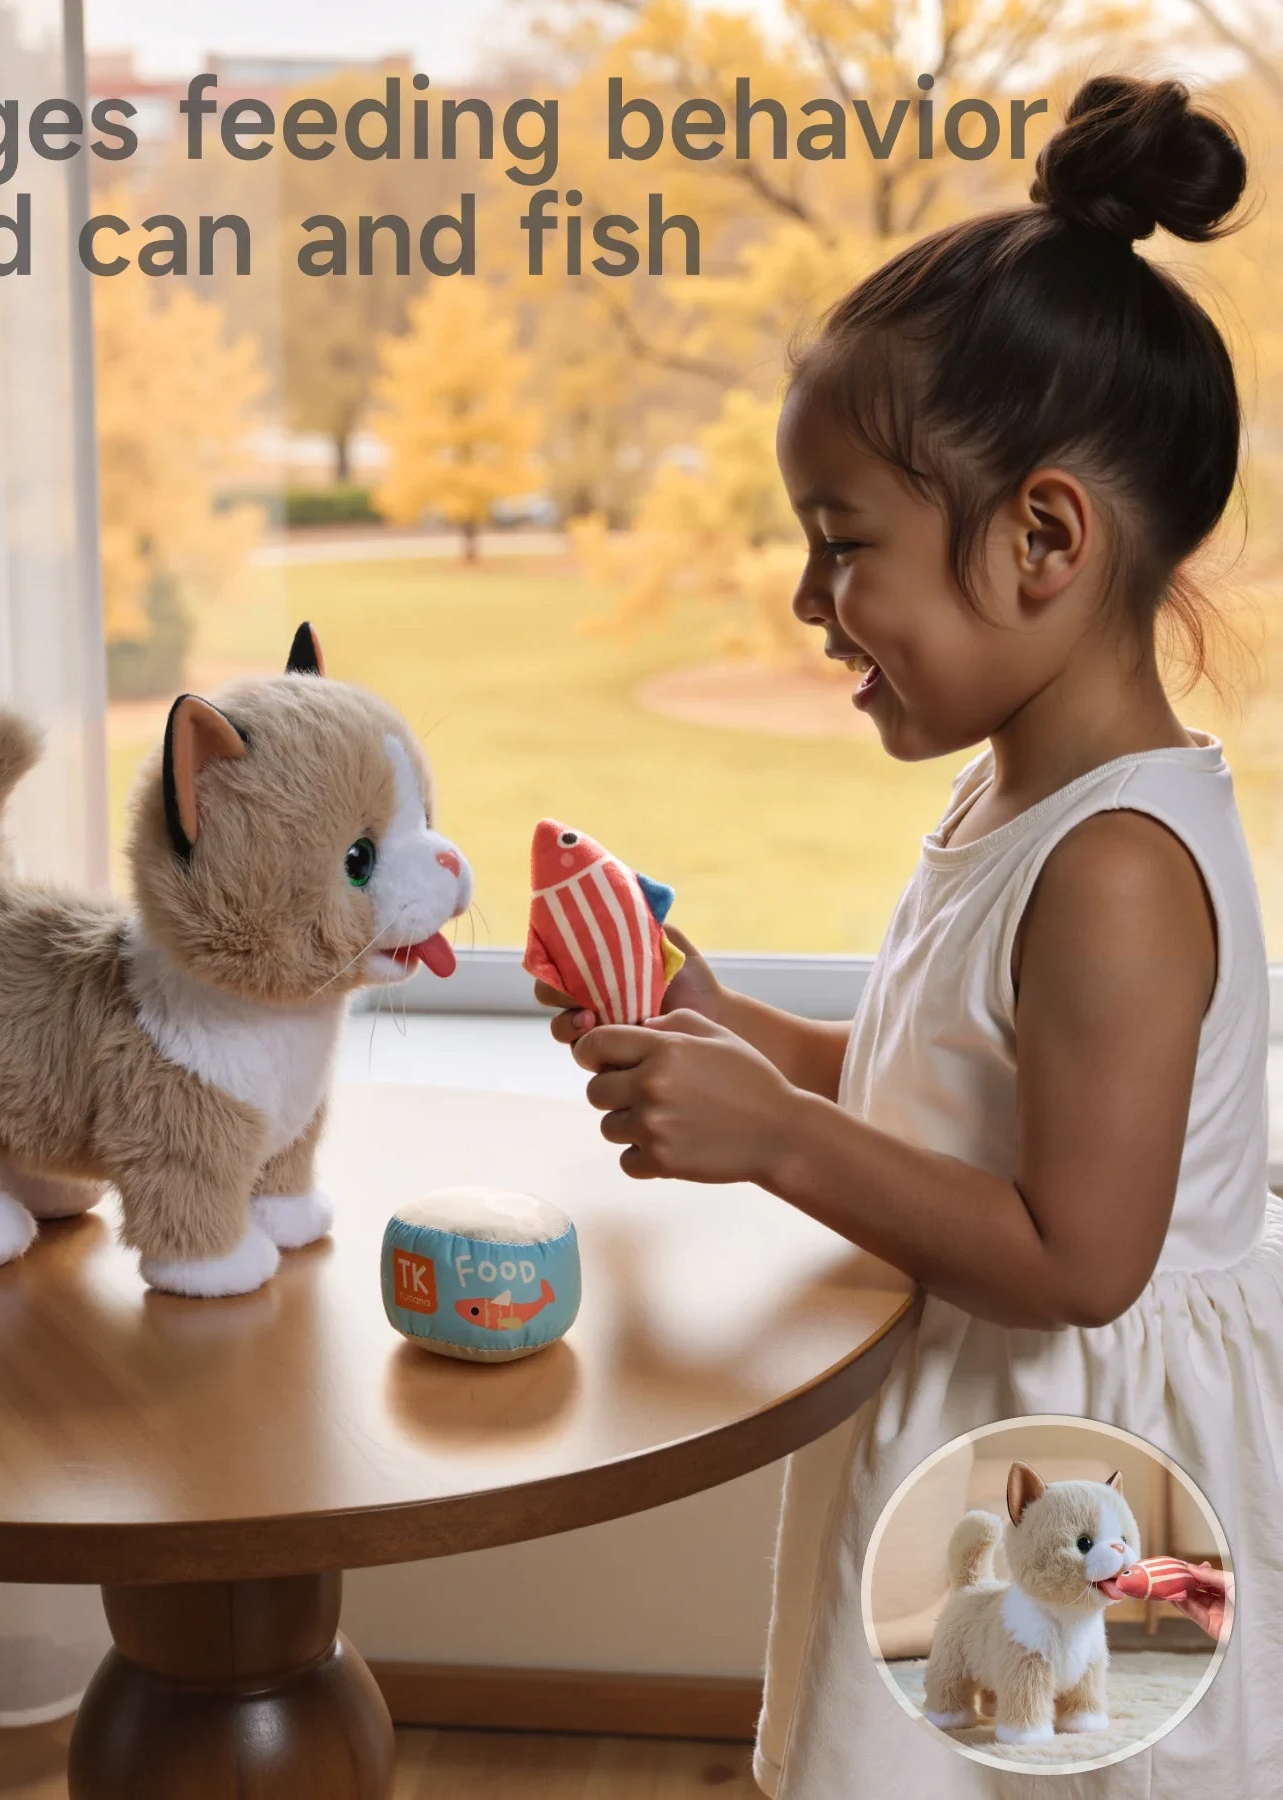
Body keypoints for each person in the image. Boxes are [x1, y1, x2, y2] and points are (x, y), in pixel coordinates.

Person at [540, 74, 1277, 1795]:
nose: (811, 604)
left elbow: (1079, 1258)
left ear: (1041, 539)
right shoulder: (1019, 795)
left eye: (844, 545)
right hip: (989, 1422)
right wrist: (727, 1026)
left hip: (1082, 1451)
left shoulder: (1115, 867)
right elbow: (938, 1081)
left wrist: (778, 1139)